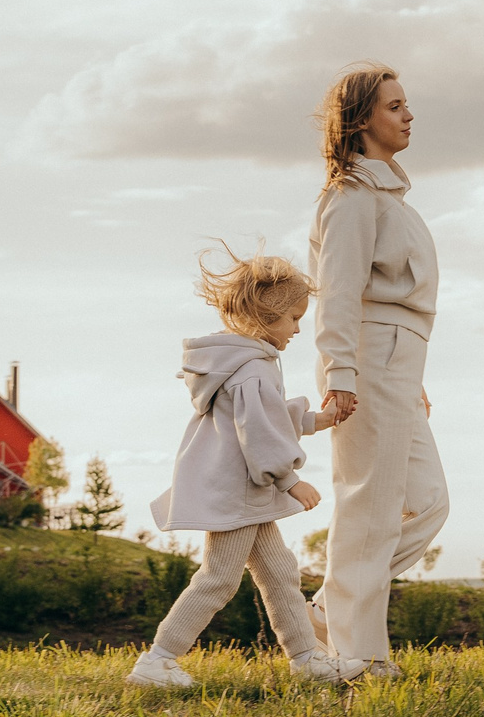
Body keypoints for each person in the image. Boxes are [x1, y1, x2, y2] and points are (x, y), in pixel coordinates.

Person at [129, 249, 358, 691]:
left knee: (280, 575)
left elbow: (261, 419)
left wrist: (316, 420)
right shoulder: (252, 368)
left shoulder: (238, 362)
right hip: (240, 492)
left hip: (245, 493)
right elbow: (260, 434)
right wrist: (291, 480)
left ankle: (307, 659)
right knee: (217, 579)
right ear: (266, 315)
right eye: (292, 317)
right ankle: (157, 661)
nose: (296, 328)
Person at [307, 63, 447, 679]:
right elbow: (337, 293)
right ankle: (359, 656)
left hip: (398, 358)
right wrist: (342, 373)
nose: (408, 114)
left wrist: (410, 372)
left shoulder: (390, 197)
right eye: (395, 106)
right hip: (368, 358)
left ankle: (327, 610)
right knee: (369, 505)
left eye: (407, 104)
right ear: (362, 119)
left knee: (427, 503)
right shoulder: (351, 196)